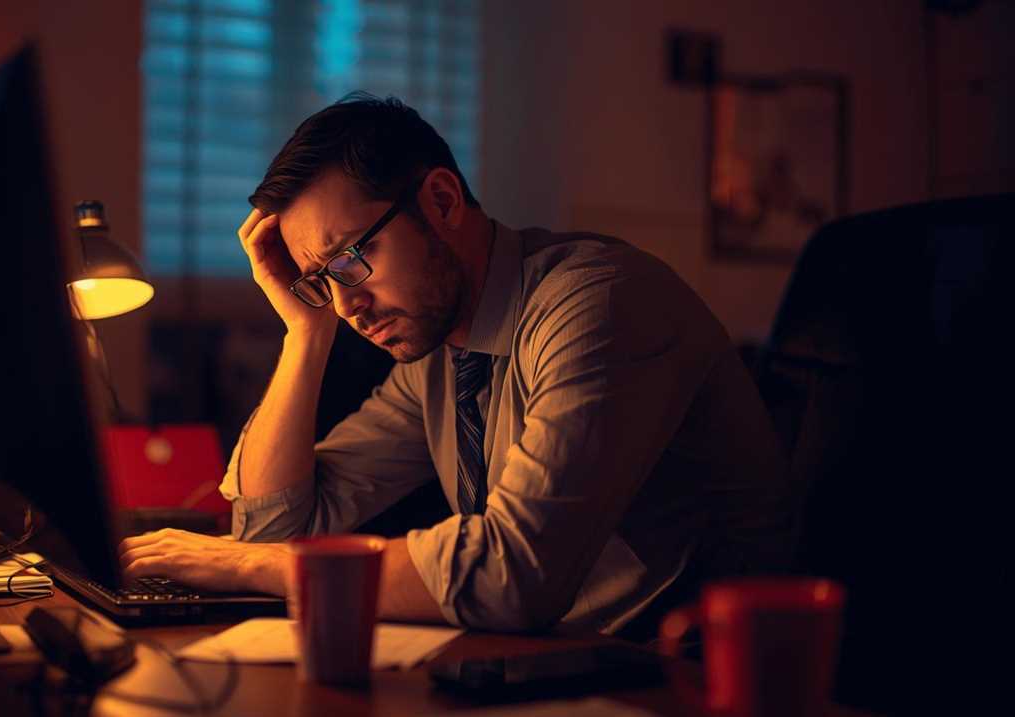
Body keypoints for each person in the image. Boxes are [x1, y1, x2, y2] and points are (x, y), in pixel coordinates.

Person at [119, 94, 794, 634]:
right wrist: (304, 329)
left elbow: (512, 573)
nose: (347, 303)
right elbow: (271, 524)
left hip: (684, 679)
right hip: (560, 663)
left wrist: (252, 567)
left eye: (351, 259)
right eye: (321, 280)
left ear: (441, 202)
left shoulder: (598, 303)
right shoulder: (439, 354)